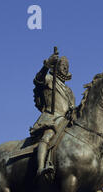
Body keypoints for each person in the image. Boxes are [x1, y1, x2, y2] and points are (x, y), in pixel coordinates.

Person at [30, 50, 76, 179]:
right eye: (62, 65)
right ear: (56, 66)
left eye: (67, 66)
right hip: (51, 118)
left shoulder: (69, 91)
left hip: (65, 122)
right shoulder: (49, 79)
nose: (65, 68)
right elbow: (38, 80)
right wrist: (46, 66)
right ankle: (40, 168)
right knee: (48, 135)